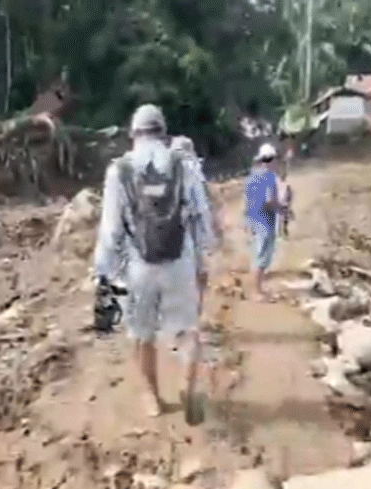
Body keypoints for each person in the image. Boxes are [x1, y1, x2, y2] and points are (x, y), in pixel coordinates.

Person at [93, 105, 216, 419]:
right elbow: (201, 215)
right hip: (180, 261)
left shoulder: (119, 170)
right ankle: (188, 387)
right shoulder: (184, 165)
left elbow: (111, 229)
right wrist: (203, 258)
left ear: (133, 133)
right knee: (187, 330)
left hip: (139, 267)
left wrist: (103, 274)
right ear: (163, 131)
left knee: (142, 334)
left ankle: (152, 398)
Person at [169, 135, 222, 314]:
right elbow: (202, 207)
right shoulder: (192, 168)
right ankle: (193, 319)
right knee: (198, 274)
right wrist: (211, 236)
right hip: (188, 229)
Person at [243, 143, 285, 299]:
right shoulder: (269, 177)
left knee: (256, 254)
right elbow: (269, 200)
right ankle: (257, 292)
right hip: (265, 220)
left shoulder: (250, 177)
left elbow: (248, 201)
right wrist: (281, 208)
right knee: (262, 257)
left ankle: (258, 289)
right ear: (271, 160)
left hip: (253, 219)